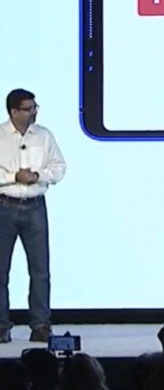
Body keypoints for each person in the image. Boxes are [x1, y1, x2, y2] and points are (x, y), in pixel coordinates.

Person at [0, 89, 66, 343]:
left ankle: (40, 325)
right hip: (4, 205)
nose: (34, 112)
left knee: (40, 271)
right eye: (29, 108)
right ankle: (2, 327)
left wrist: (38, 176)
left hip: (35, 206)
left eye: (35, 107)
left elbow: (59, 167)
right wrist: (13, 177)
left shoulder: (44, 136)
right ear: (14, 111)